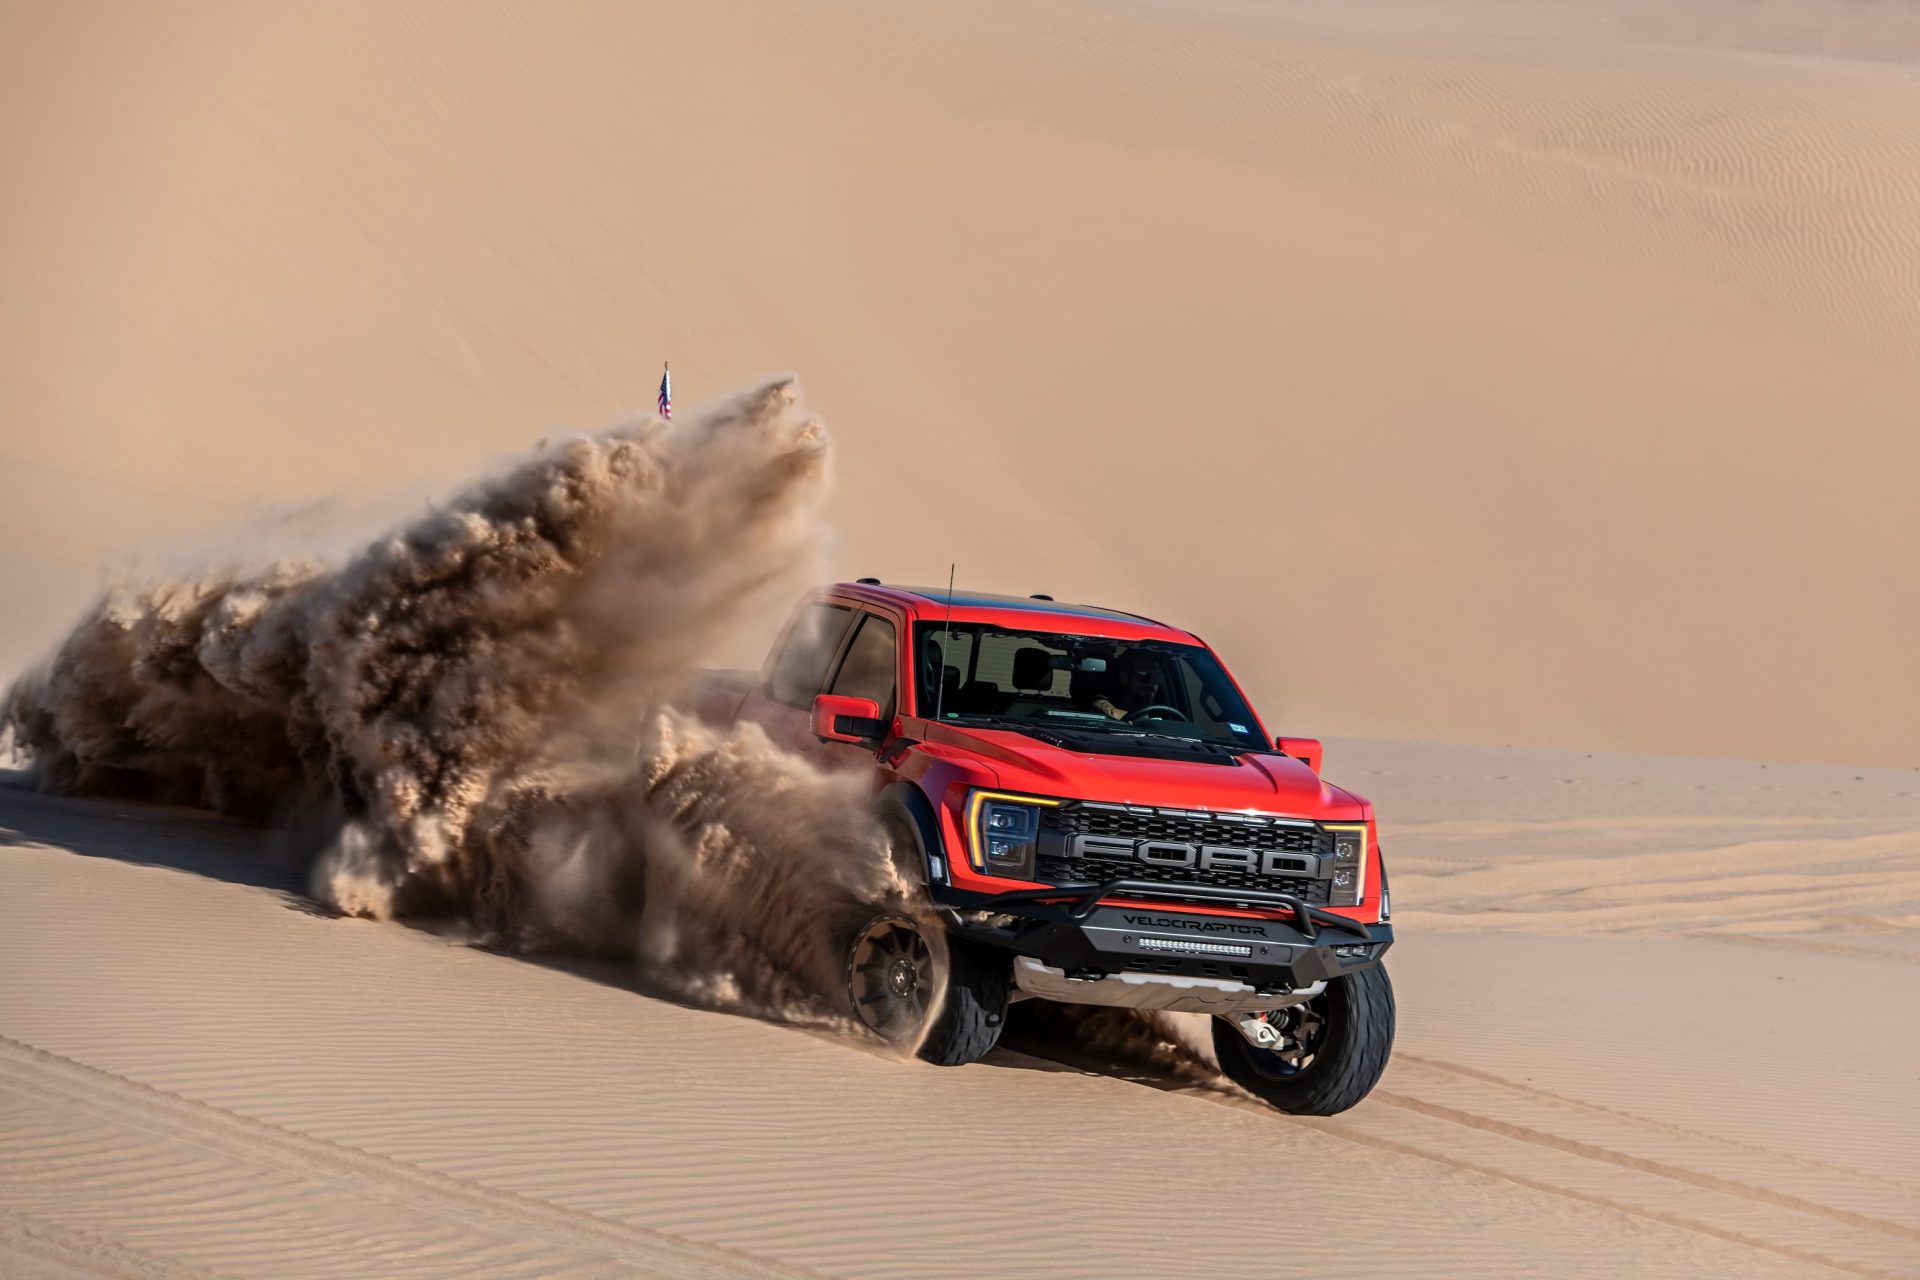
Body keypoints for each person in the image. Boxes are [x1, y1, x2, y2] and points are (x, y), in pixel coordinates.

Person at [1091, 648, 1166, 720]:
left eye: (1156, 677)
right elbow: (1100, 703)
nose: (1151, 683)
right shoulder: (1112, 695)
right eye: (1143, 676)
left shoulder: (1165, 707)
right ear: (1124, 678)